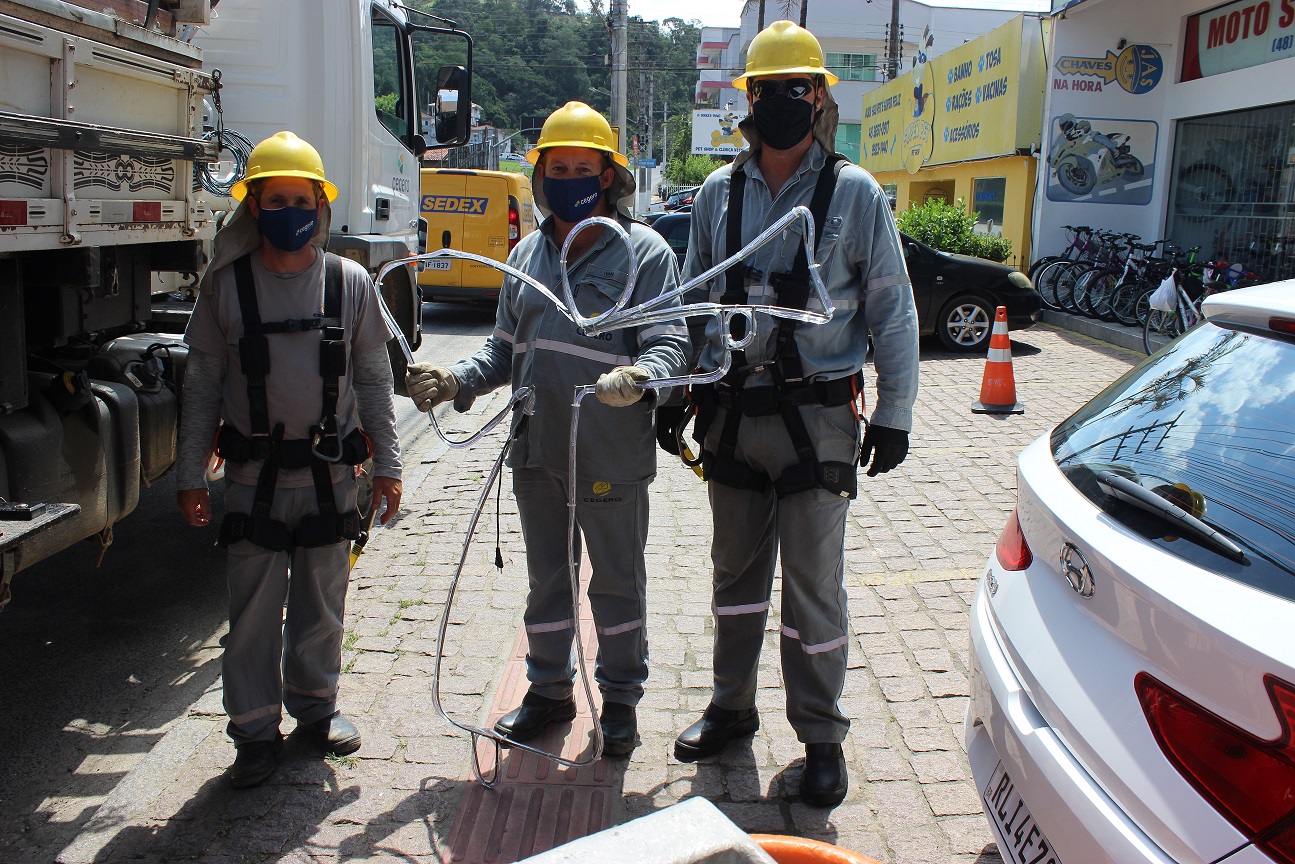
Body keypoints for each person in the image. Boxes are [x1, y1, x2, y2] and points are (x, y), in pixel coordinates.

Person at [668, 21, 920, 807]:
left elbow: (893, 309)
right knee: (734, 581)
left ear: (819, 98)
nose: (782, 100)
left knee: (814, 590)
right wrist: (676, 393)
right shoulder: (718, 194)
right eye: (767, 88)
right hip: (735, 417)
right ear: (747, 98)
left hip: (820, 423)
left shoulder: (854, 193)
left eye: (797, 88)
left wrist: (896, 412)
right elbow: (690, 303)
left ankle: (821, 736)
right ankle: (731, 709)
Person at [405, 102, 688, 757]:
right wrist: (456, 381)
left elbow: (672, 340)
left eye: (582, 167)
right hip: (537, 448)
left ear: (609, 176)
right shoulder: (528, 253)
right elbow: (502, 349)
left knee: (618, 582)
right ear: (538, 176)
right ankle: (549, 691)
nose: (568, 177)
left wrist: (644, 375)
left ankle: (619, 702)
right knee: (548, 582)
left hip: (610, 451)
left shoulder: (644, 252)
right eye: (556, 167)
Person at [176, 131, 403, 788]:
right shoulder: (224, 288)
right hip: (253, 482)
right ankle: (252, 732)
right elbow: (201, 386)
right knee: (249, 614)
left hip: (332, 479)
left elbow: (373, 380)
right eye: (274, 199)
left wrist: (388, 465)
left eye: (299, 199)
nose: (288, 211)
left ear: (319, 206)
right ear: (252, 206)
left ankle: (315, 711)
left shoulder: (349, 283)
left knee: (321, 605)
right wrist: (192, 474)